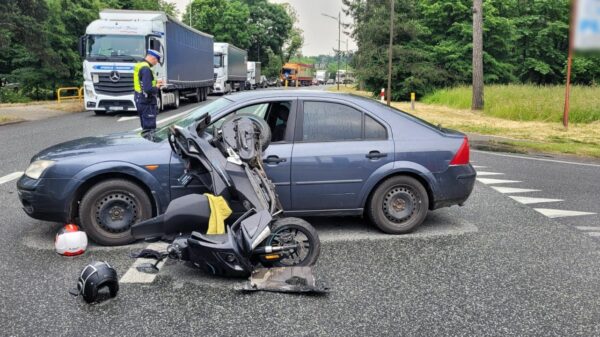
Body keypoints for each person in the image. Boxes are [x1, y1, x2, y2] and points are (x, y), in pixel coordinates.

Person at [133, 49, 164, 137]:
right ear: (152, 58)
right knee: (149, 130)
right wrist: (157, 86)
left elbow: (141, 83)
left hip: (140, 100)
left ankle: (146, 146)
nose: (157, 62)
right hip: (147, 102)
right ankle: (150, 148)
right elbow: (148, 89)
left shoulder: (139, 65)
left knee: (145, 128)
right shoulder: (146, 69)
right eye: (156, 60)